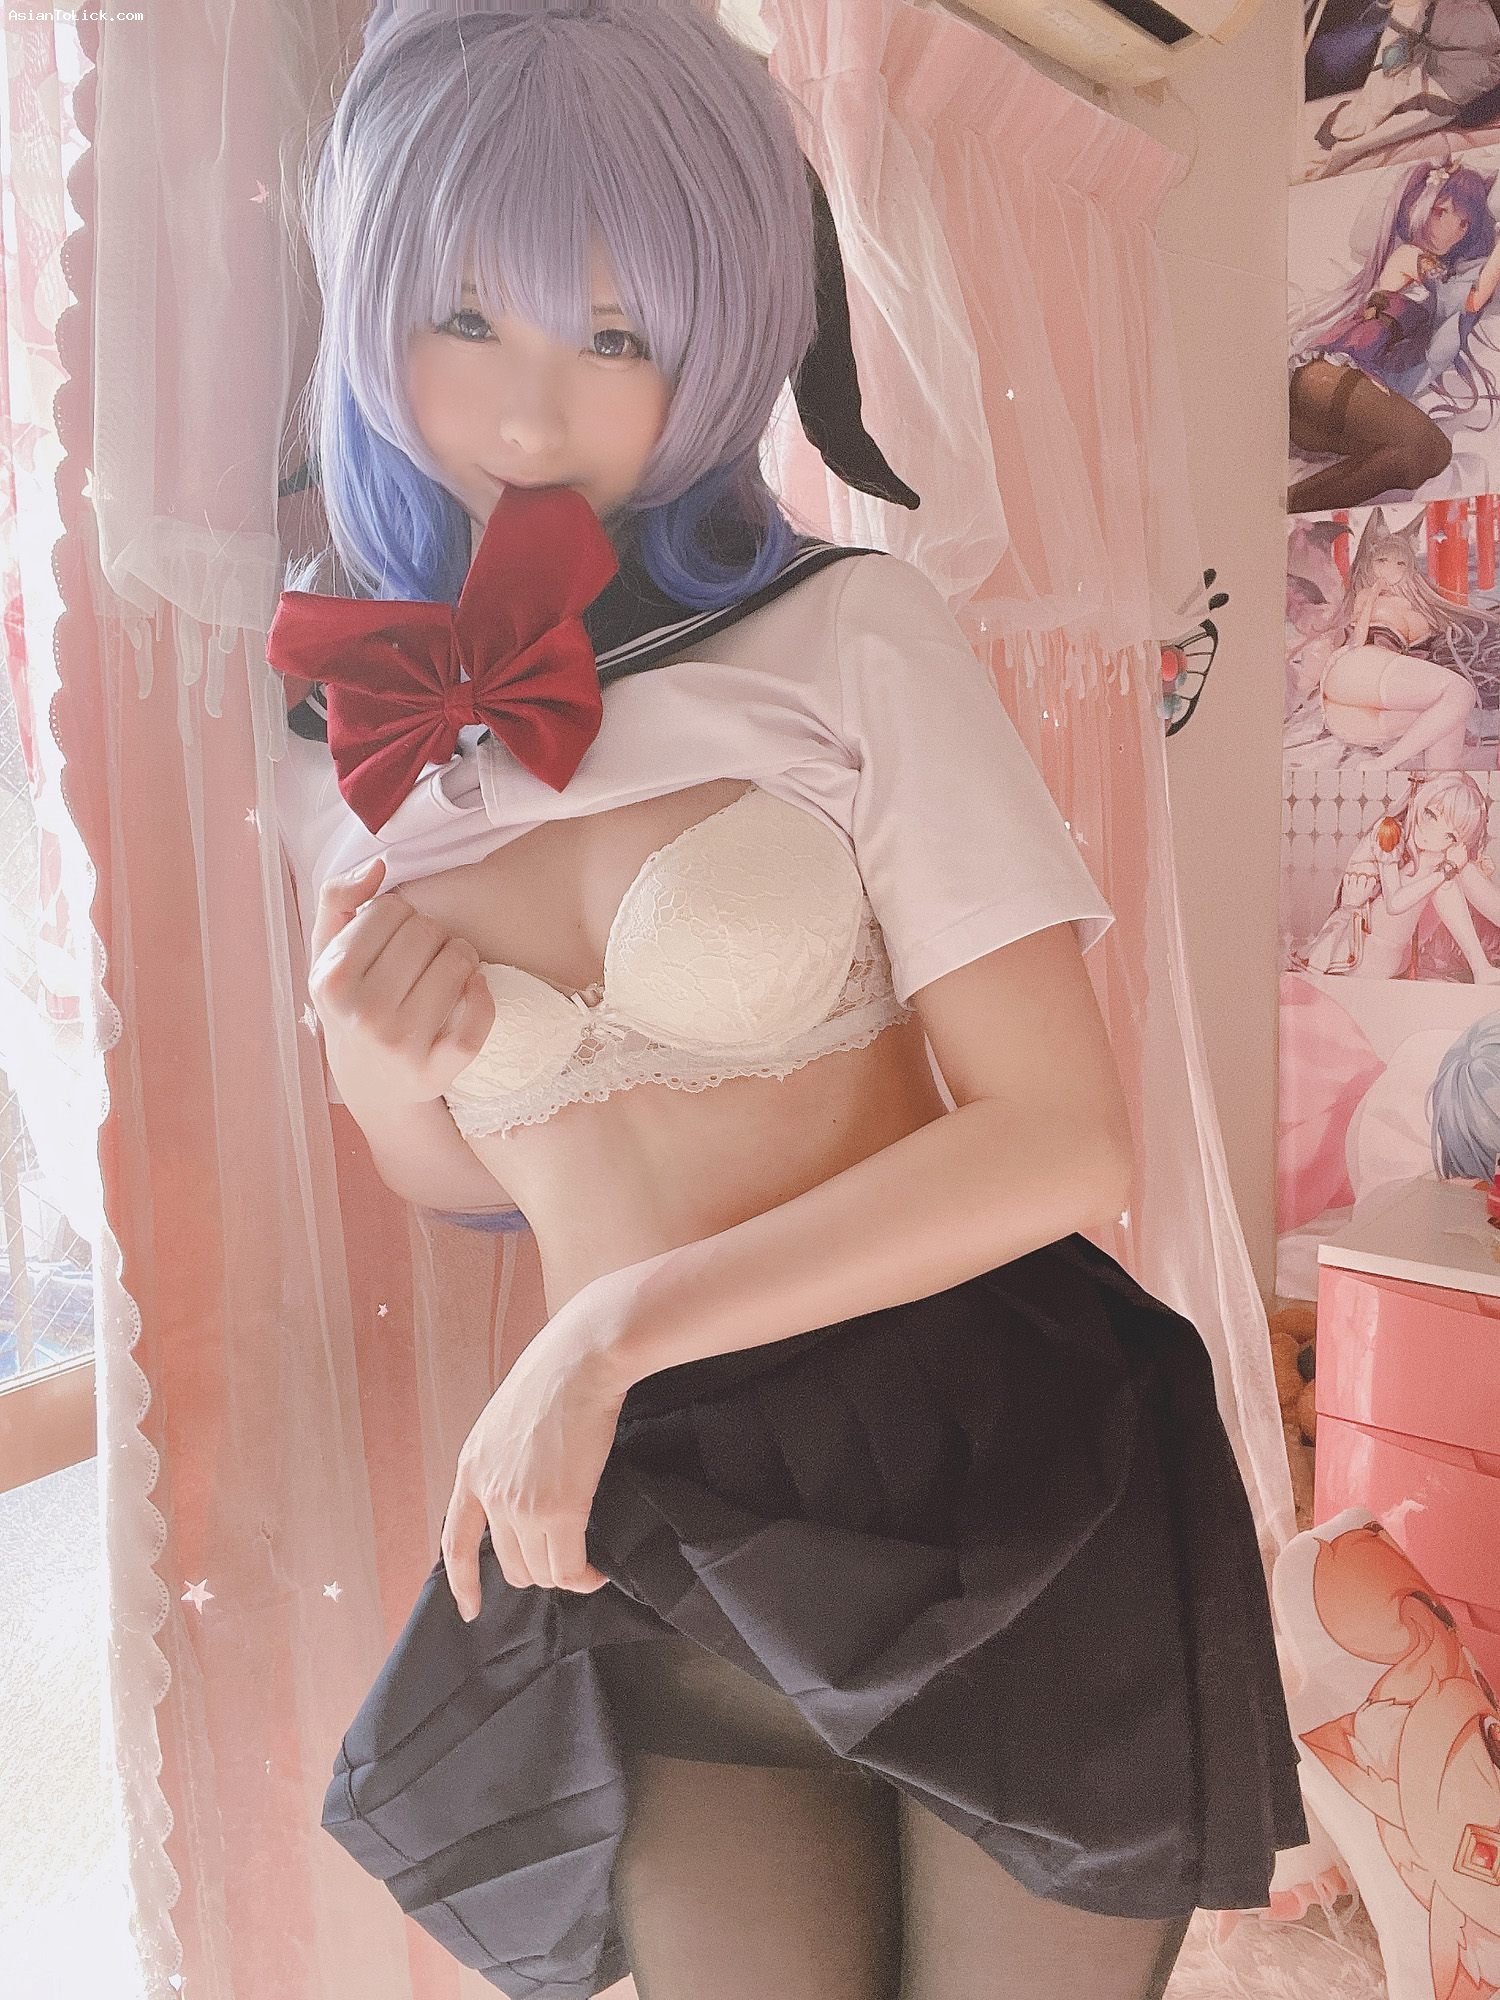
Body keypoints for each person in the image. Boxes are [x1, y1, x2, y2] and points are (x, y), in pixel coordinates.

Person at [270, 3, 1308, 1996]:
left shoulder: (848, 635)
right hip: (660, 1512)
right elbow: (476, 1170)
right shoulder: (354, 738)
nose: (528, 406)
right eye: (465, 314)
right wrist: (387, 1073)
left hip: (983, 1461)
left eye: (617, 334)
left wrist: (606, 1333)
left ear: (722, 332)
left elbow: (1060, 1135)